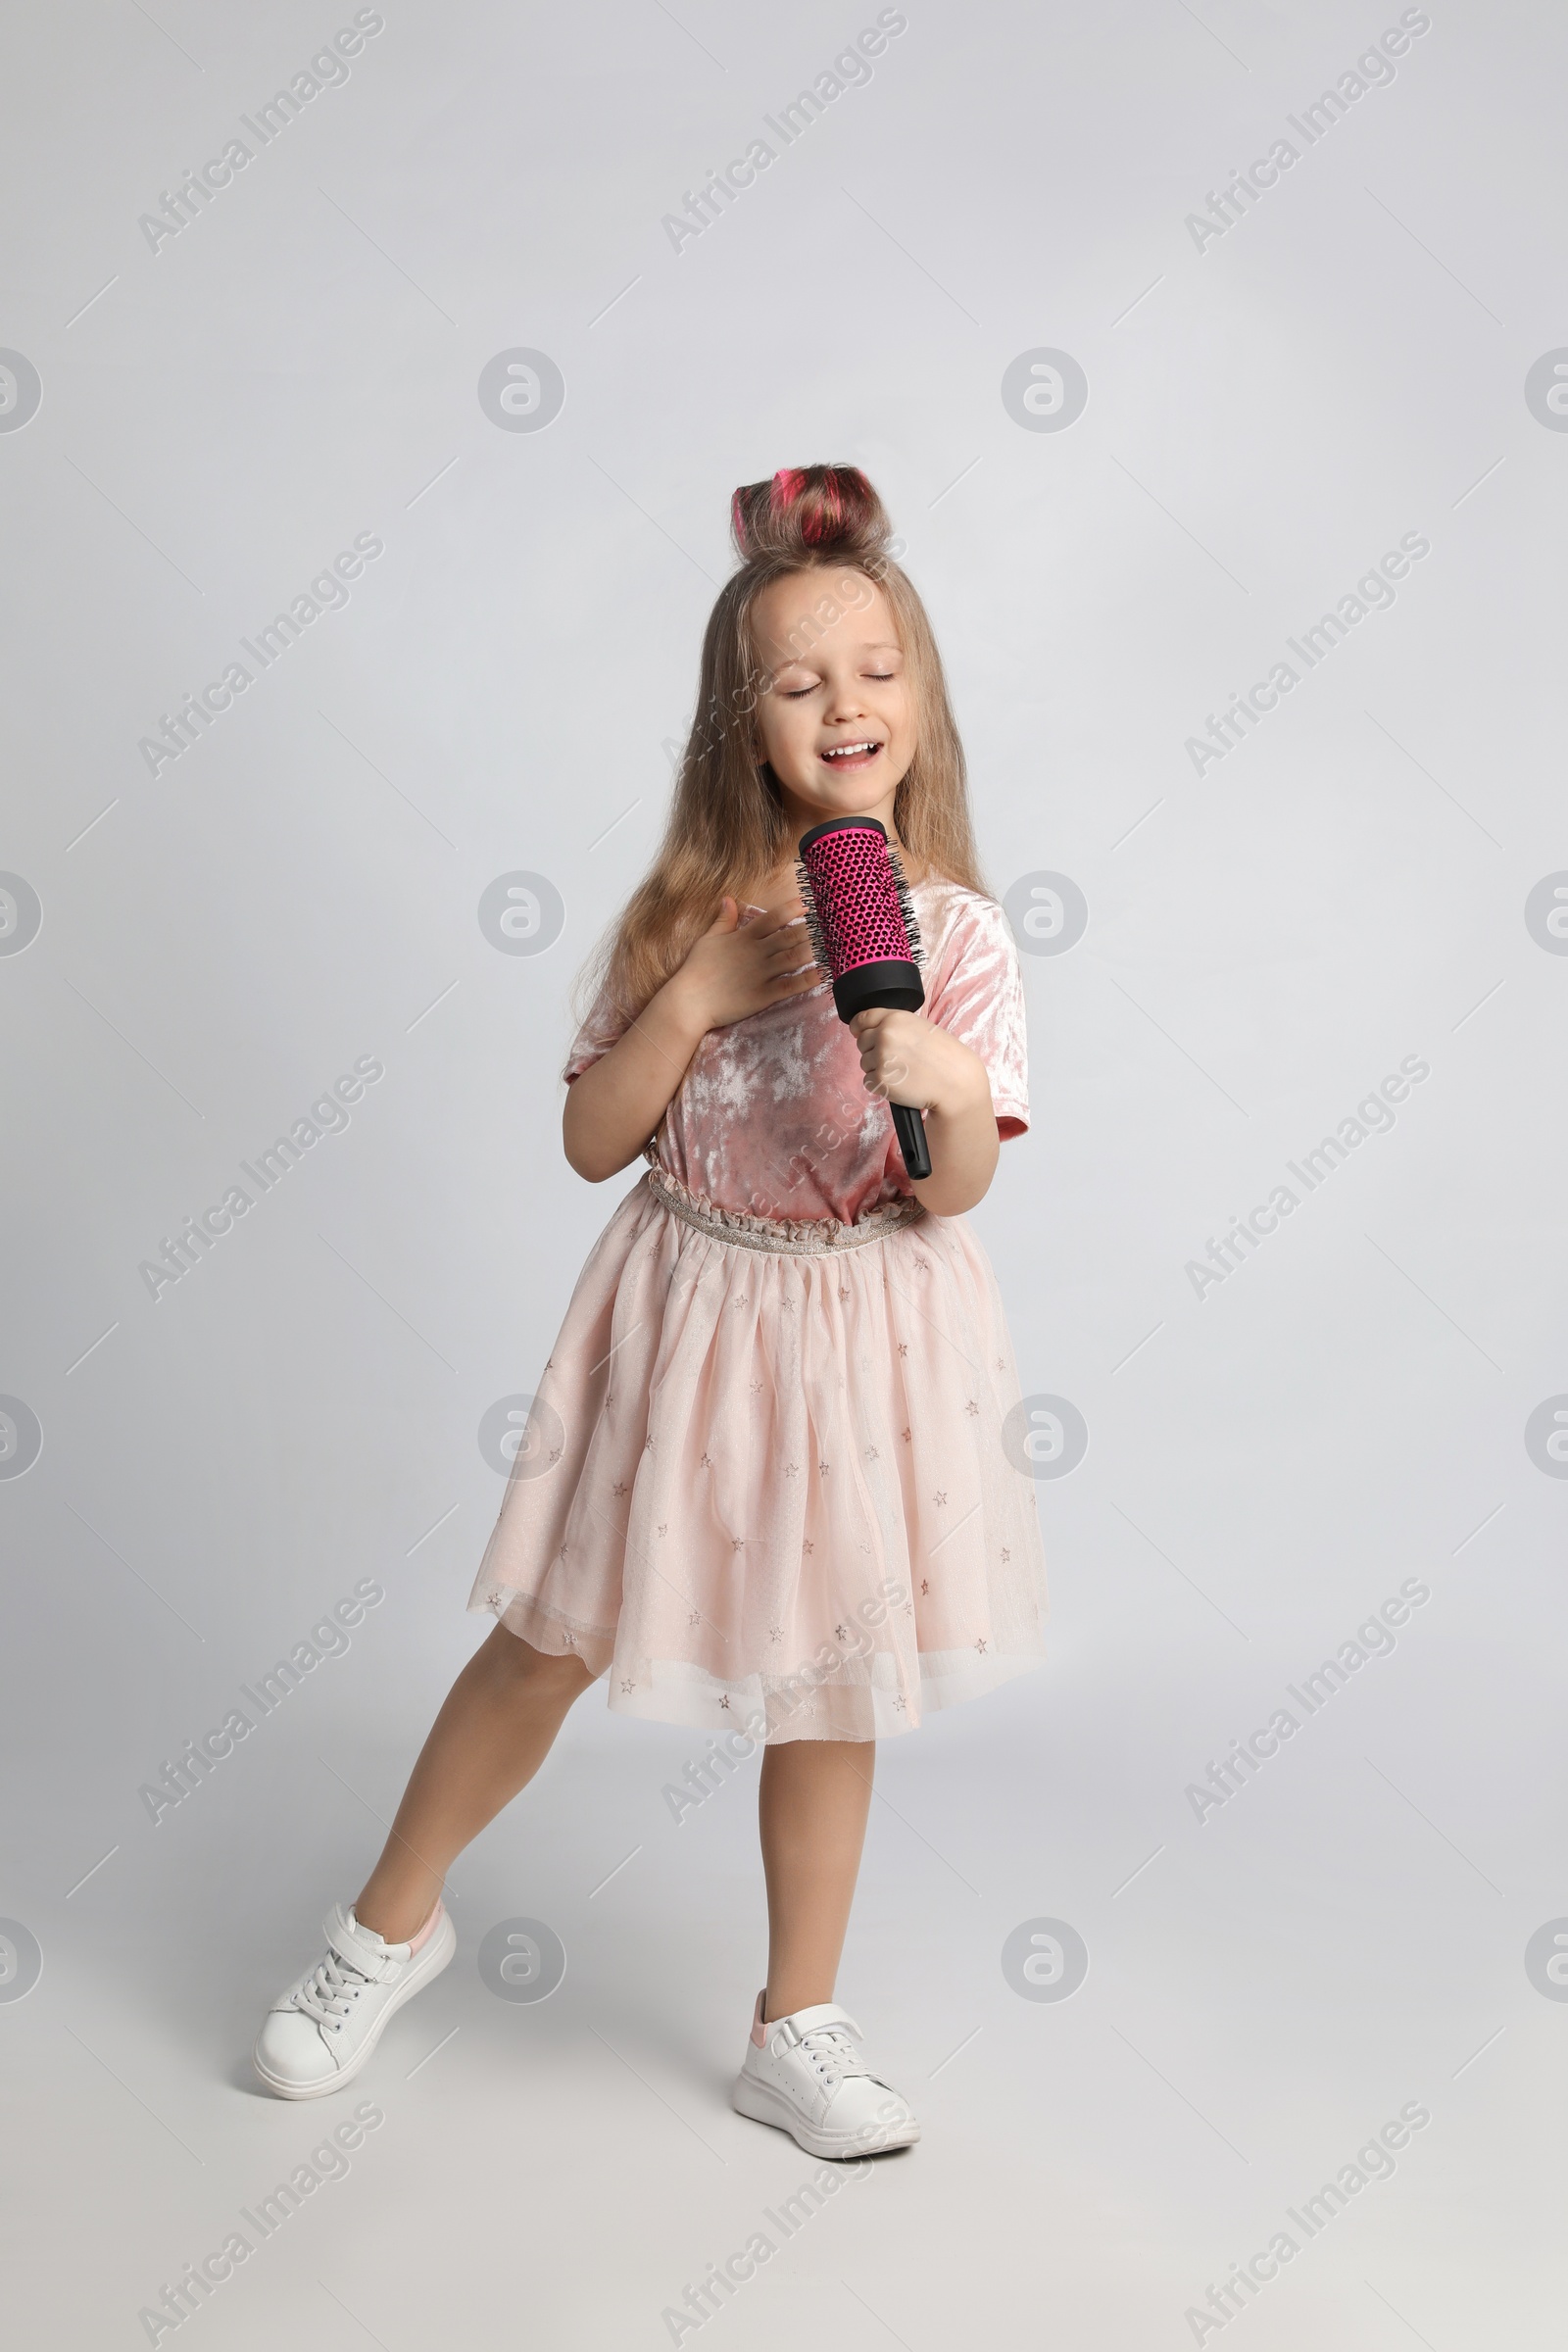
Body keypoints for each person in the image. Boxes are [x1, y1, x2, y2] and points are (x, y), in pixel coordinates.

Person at [253, 463, 1050, 2159]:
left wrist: (948, 1087)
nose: (846, 702)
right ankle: (386, 1929)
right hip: (686, 1309)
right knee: (550, 1629)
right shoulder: (685, 922)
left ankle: (799, 2018)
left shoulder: (963, 936)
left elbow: (959, 1184)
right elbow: (587, 1139)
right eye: (798, 679)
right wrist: (690, 998)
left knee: (838, 1676)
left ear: (921, 700)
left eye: (876, 670)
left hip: (862, 1329)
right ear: (739, 726)